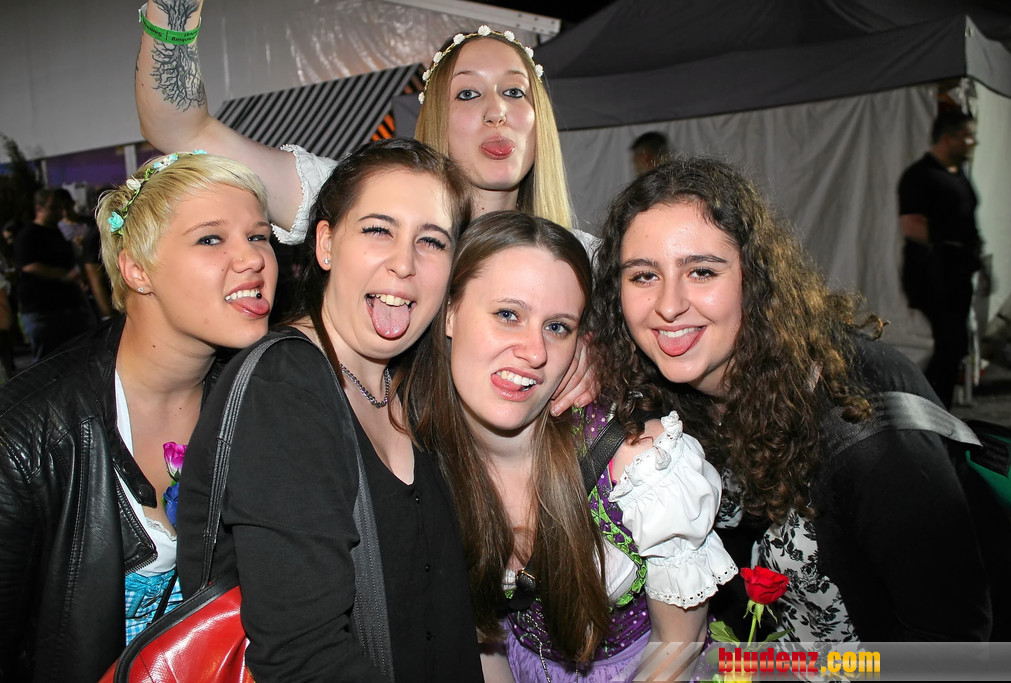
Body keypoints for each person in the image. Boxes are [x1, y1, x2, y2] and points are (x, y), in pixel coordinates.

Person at [591, 156, 992, 642]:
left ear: (755, 278)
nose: (669, 305)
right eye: (643, 276)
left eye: (701, 271)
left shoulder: (865, 427)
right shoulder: (675, 397)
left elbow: (952, 639)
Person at [134, 2, 594, 415]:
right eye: (468, 93)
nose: (497, 112)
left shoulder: (585, 263)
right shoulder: (364, 198)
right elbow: (181, 129)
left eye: (515, 92)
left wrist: (595, 345)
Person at [176, 138, 483, 681]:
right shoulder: (284, 390)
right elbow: (302, 657)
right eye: (378, 230)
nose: (404, 263)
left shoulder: (414, 383)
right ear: (325, 245)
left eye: (431, 241)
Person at [406, 211, 736, 681]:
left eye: (557, 327)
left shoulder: (637, 464)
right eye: (508, 315)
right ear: (451, 313)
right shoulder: (424, 461)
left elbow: (678, 645)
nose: (534, 351)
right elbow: (484, 640)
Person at [0, 152, 277, 682]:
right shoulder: (26, 435)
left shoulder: (265, 398)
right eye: (211, 238)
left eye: (259, 236)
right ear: (137, 270)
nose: (253, 259)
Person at [898, 109, 983, 408]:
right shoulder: (920, 176)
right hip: (935, 275)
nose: (974, 142)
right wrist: (952, 244)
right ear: (948, 137)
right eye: (968, 136)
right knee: (948, 346)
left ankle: (938, 407)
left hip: (958, 273)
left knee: (954, 346)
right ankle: (930, 408)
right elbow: (911, 226)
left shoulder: (958, 175)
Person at [12, 188, 93, 362]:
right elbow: (28, 265)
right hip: (41, 309)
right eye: (53, 207)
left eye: (60, 207)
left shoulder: (57, 232)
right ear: (39, 208)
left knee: (76, 357)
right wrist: (64, 275)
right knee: (47, 361)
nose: (59, 212)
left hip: (67, 305)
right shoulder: (28, 235)